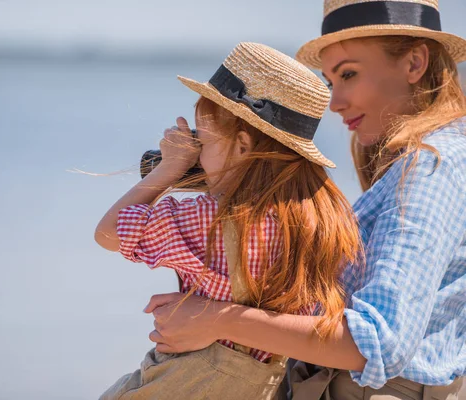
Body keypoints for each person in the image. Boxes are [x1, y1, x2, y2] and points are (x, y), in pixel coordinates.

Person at [142, 1, 466, 398]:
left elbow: (376, 344)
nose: (335, 102)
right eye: (331, 81)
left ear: (415, 63)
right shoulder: (425, 160)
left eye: (349, 74)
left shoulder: (429, 166)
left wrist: (218, 319)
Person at [94, 42, 362, 399]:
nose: (198, 156)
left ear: (241, 146)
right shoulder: (322, 221)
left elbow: (109, 233)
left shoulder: (208, 219)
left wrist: (168, 169)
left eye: (201, 143)